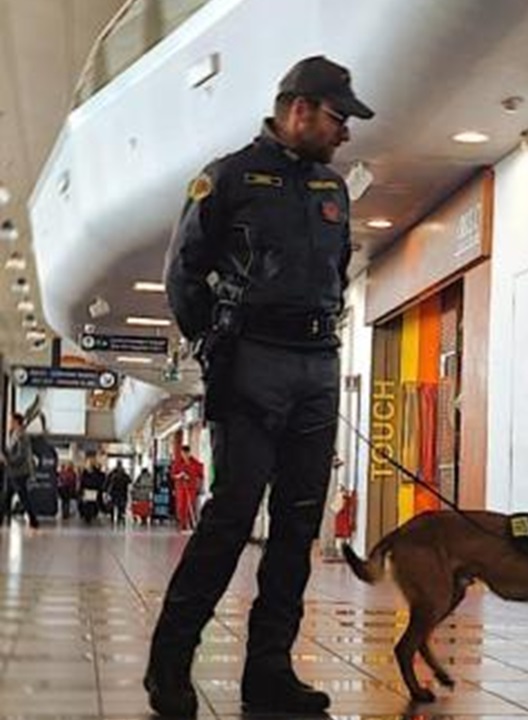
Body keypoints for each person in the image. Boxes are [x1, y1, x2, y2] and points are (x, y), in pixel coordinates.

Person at [145, 55, 373, 718]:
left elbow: (337, 271)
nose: (345, 134)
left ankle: (269, 670)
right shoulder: (229, 179)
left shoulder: (334, 188)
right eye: (338, 118)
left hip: (317, 364)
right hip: (251, 364)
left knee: (299, 524)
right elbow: (184, 276)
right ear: (299, 109)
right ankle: (170, 664)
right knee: (231, 516)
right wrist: (214, 350)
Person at [1, 413, 39, 529]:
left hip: (19, 472)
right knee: (7, 496)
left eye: (12, 421)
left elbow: (21, 455)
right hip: (12, 472)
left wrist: (7, 460)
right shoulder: (14, 435)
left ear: (17, 422)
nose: (10, 423)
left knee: (22, 496)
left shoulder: (22, 436)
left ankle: (33, 520)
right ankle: (2, 518)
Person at [170, 446, 204, 531]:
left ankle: (190, 524)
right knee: (181, 507)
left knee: (190, 506)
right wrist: (180, 475)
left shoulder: (195, 462)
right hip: (181, 488)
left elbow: (201, 475)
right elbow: (173, 475)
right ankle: (182, 525)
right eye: (183, 453)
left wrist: (200, 486)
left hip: (191, 488)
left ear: (189, 453)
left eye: (186, 453)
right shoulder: (178, 463)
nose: (185, 455)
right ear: (181, 453)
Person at [106, 461, 132, 525]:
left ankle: (113, 518)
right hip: (122, 493)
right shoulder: (124, 473)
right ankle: (119, 518)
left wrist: (106, 490)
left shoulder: (113, 473)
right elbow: (129, 480)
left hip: (114, 493)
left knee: (113, 505)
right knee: (121, 507)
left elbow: (107, 481)